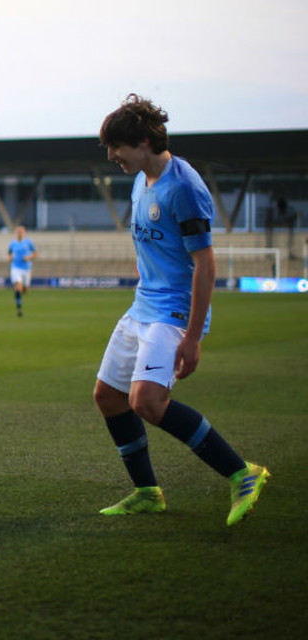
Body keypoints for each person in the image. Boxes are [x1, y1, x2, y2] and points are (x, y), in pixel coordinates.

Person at [94, 94, 269, 526]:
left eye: (116, 147)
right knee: (109, 397)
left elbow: (205, 264)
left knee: (147, 402)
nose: (112, 156)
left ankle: (241, 472)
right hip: (143, 304)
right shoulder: (141, 181)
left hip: (173, 312)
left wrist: (192, 337)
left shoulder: (185, 187)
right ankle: (148, 493)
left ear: (142, 142)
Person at [7, 225, 36, 317]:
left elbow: (35, 254)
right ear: (16, 233)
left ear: (24, 233)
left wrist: (28, 258)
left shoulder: (28, 243)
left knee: (25, 290)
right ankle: (19, 309)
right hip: (15, 267)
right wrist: (9, 258)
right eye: (18, 232)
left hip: (26, 268)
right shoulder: (13, 243)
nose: (19, 233)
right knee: (18, 287)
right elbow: (9, 253)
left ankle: (23, 289)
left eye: (21, 232)